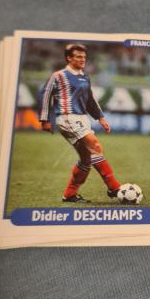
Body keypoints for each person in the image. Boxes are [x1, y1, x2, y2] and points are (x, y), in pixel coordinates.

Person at [38, 43, 122, 202]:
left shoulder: (84, 77)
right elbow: (46, 95)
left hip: (82, 118)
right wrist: (44, 119)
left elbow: (90, 100)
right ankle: (114, 188)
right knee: (96, 147)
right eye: (78, 56)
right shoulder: (59, 75)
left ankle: (69, 194)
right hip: (67, 117)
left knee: (86, 159)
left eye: (84, 57)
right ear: (69, 58)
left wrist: (101, 118)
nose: (82, 59)